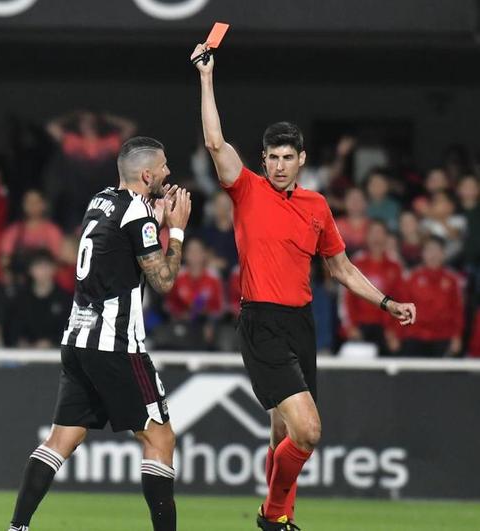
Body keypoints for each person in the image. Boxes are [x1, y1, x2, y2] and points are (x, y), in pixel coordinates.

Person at [192, 43, 416, 530]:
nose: (276, 165)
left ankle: (281, 515)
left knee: (281, 434)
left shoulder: (316, 206)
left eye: (286, 157)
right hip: (261, 322)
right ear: (263, 159)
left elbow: (340, 268)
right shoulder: (246, 189)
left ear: (301, 159)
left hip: (300, 323)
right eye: (270, 156)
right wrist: (206, 79)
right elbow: (214, 143)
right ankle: (272, 516)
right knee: (308, 432)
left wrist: (386, 301)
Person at [6, 136, 191, 531]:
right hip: (116, 344)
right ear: (146, 174)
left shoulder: (100, 200)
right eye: (163, 167)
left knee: (62, 440)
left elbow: (117, 248)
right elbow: (163, 281)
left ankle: (17, 527)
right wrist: (174, 232)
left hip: (77, 340)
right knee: (161, 440)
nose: (168, 173)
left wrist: (151, 220)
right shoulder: (138, 214)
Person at [340, 220, 405, 356]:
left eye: (380, 233)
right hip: (360, 326)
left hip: (386, 329)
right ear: (367, 237)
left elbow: (402, 299)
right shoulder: (356, 262)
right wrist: (350, 327)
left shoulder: (395, 265)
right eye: (373, 232)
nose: (376, 237)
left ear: (386, 237)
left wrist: (395, 332)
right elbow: (346, 299)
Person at [401, 236, 464, 357]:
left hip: (443, 336)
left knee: (442, 375)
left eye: (436, 250)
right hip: (415, 336)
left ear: (443, 254)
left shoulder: (453, 280)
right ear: (422, 254)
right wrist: (400, 334)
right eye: (429, 250)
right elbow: (402, 306)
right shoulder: (412, 278)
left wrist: (457, 336)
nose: (433, 255)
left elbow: (458, 310)